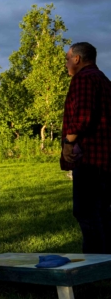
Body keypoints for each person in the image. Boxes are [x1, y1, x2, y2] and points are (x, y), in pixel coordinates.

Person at [61, 42, 111, 253]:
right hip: (106, 158)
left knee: (86, 213)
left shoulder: (83, 79)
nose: (66, 64)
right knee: (102, 212)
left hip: (90, 157)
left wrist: (68, 143)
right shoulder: (103, 80)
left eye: (67, 59)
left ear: (77, 59)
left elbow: (82, 118)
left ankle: (94, 265)